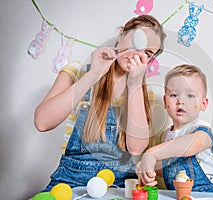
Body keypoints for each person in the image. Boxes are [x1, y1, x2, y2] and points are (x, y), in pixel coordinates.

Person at [34, 14, 166, 191]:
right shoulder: (76, 72)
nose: (139, 54)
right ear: (121, 35)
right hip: (70, 180)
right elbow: (42, 122)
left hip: (120, 184)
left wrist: (134, 84)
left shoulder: (142, 92)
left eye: (147, 53)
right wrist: (93, 75)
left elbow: (136, 148)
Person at [136, 64, 213, 193]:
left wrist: (151, 154)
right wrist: (147, 168)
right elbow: (170, 168)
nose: (180, 101)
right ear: (165, 101)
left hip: (209, 192)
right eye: (174, 95)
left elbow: (194, 144)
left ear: (203, 104)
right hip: (178, 195)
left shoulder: (202, 129)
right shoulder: (166, 136)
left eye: (190, 96)